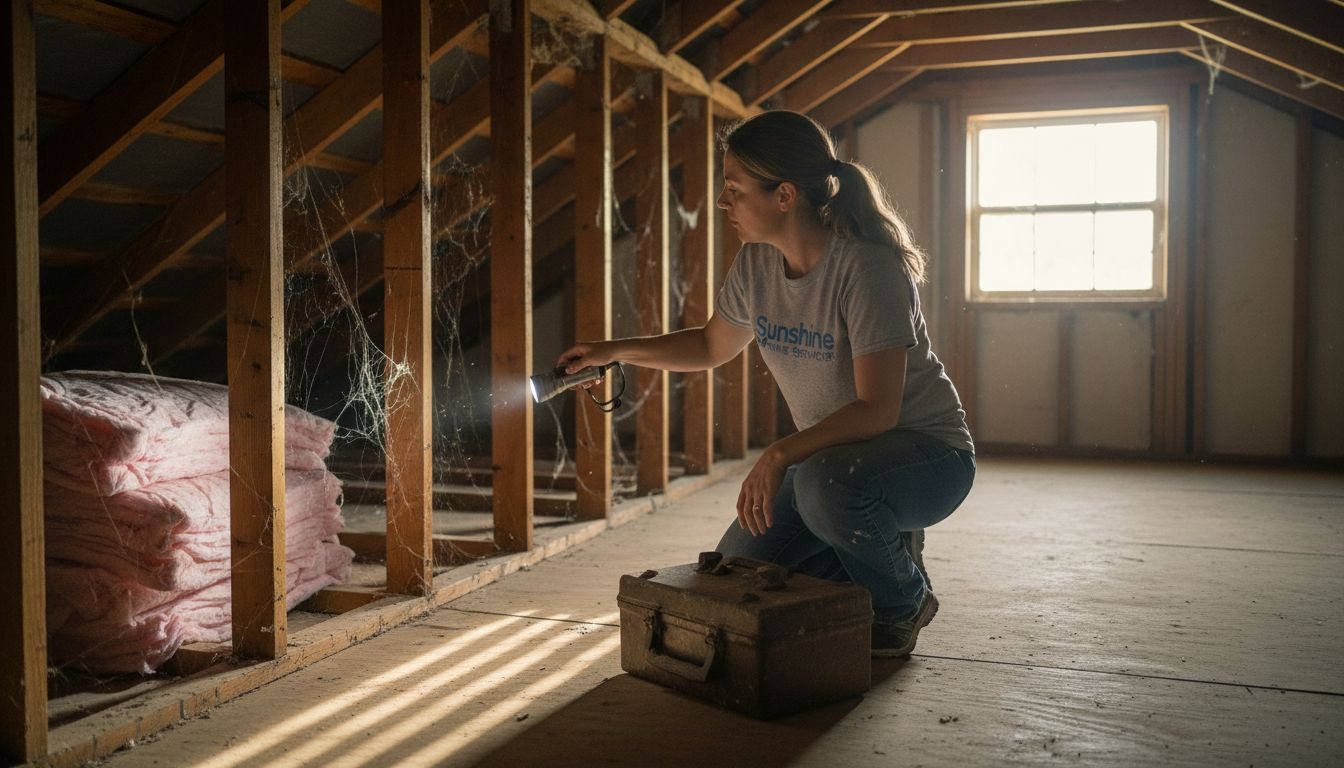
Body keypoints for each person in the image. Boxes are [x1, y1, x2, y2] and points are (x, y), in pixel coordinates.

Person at [556, 109, 975, 657]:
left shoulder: (867, 269)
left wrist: (778, 455)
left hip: (927, 460)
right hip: (829, 464)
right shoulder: (757, 265)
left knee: (824, 485)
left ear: (784, 195)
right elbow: (711, 346)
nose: (724, 203)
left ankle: (903, 602)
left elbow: (877, 411)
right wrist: (615, 352)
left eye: (734, 189)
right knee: (738, 576)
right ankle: (879, 543)